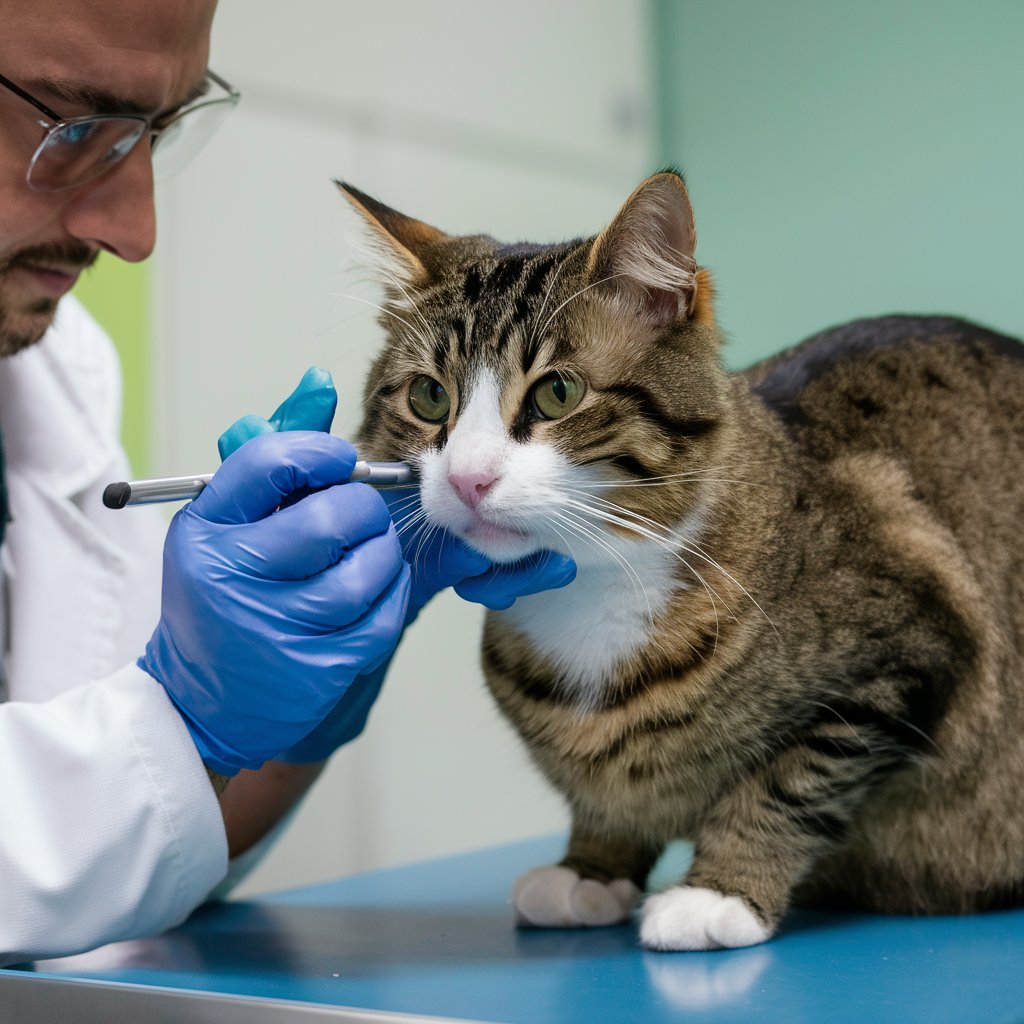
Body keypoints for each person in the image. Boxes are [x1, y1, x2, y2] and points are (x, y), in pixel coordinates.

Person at [0, 0, 575, 966]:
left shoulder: (57, 375)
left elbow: (119, 865)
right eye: (74, 127)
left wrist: (278, 720)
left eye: (158, 133)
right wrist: (188, 713)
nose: (135, 232)